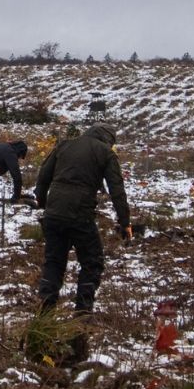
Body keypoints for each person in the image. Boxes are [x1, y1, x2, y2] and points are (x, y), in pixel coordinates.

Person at [33, 125, 130, 313]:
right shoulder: (106, 153)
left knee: (54, 261)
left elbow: (43, 177)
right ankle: (82, 314)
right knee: (92, 262)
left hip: (54, 213)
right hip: (80, 214)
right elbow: (117, 190)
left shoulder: (65, 145)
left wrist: (44, 203)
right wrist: (125, 222)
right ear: (109, 140)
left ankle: (45, 311)